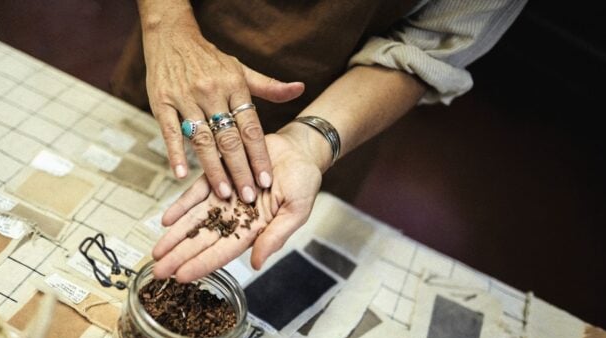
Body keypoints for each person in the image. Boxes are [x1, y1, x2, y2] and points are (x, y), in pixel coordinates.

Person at [109, 0, 527, 282]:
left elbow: (426, 49)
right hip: (183, 50)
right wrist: (166, 24)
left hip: (336, 104)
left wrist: (307, 144)